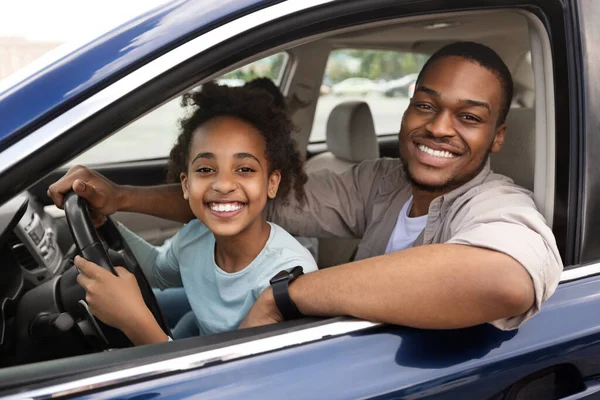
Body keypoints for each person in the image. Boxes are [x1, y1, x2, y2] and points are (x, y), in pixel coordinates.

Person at [49, 42, 563, 333]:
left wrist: (284, 297)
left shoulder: (498, 204)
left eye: (469, 117)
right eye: (425, 105)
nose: (440, 128)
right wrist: (120, 198)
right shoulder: (381, 181)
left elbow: (506, 279)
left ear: (497, 136)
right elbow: (244, 201)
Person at [69, 82, 318, 345]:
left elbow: (236, 380)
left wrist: (133, 320)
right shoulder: (197, 236)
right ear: (186, 185)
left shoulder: (287, 277)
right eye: (205, 170)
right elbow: (157, 271)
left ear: (272, 183)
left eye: (244, 169)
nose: (223, 185)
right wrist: (105, 223)